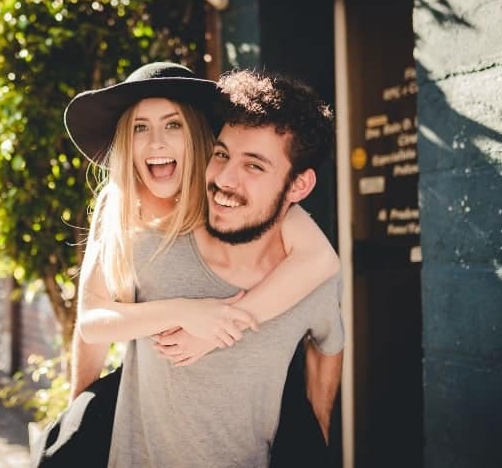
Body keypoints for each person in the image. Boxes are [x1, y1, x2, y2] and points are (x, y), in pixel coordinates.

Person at [66, 63, 342, 466]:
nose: (156, 142)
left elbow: (320, 260)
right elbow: (91, 322)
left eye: (173, 125)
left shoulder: (228, 197)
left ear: (197, 134)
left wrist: (224, 323)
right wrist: (78, 415)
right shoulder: (118, 205)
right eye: (140, 127)